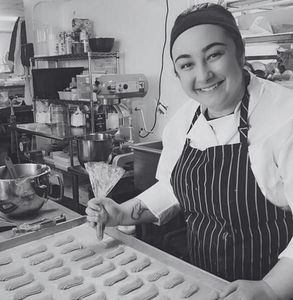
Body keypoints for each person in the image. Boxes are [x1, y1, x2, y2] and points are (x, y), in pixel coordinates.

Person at [86, 3, 293, 299]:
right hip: (201, 283)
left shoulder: (285, 116)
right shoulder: (185, 119)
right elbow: (173, 189)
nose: (203, 74)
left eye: (214, 55)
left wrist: (270, 289)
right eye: (187, 64)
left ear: (240, 53)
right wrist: (122, 212)